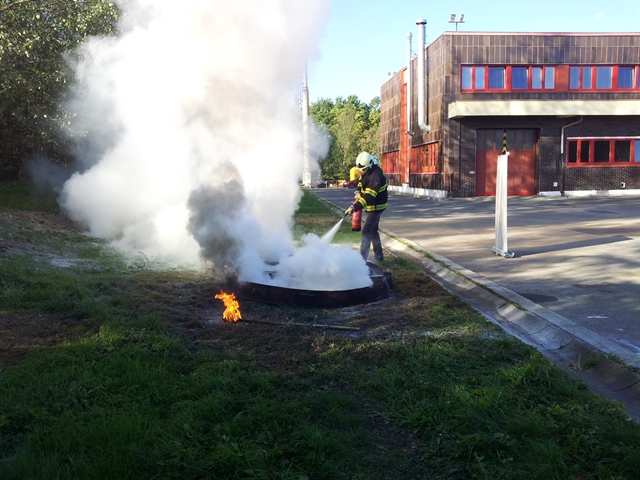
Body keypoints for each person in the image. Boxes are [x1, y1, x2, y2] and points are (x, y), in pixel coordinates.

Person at [345, 151, 388, 262]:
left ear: (369, 165)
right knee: (373, 229)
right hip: (371, 204)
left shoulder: (376, 177)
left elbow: (368, 198)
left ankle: (362, 259)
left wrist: (354, 207)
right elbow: (361, 182)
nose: (361, 172)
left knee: (366, 230)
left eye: (363, 169)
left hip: (377, 206)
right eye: (360, 170)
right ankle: (379, 256)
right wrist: (358, 191)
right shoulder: (366, 171)